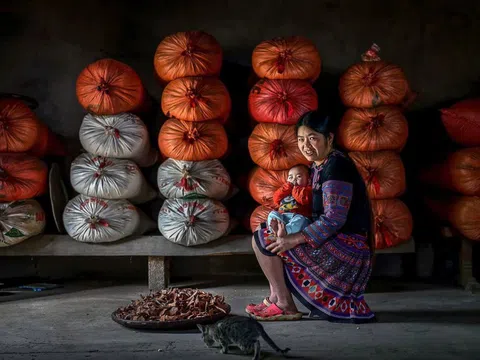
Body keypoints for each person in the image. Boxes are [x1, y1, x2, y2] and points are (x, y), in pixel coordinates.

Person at [246, 110, 376, 323]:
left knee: (265, 240)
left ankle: (285, 305)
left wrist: (293, 239)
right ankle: (276, 298)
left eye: (313, 138)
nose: (306, 145)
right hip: (331, 238)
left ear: (330, 138)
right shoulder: (318, 165)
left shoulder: (336, 167)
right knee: (266, 232)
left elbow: (334, 219)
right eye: (300, 140)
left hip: (349, 247)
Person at [267, 164, 312, 236]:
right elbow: (276, 199)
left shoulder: (308, 190)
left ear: (308, 180)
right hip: (283, 216)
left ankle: (285, 231)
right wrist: (287, 187)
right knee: (272, 214)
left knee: (301, 221)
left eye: (299, 177)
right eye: (290, 177)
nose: (293, 180)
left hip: (299, 216)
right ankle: (274, 229)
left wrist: (295, 188)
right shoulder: (285, 189)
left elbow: (303, 199)